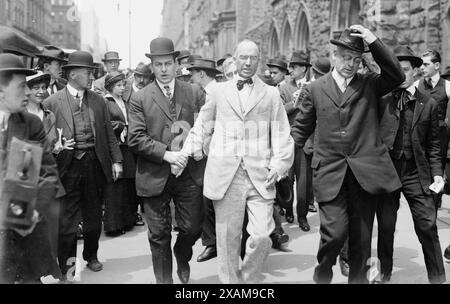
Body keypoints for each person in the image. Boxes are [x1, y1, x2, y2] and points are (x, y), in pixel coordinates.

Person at [291, 25, 405, 284]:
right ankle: (323, 272)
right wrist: (281, 164)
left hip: (365, 174)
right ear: (334, 56)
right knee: (334, 234)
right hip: (330, 174)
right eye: (345, 58)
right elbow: (300, 130)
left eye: (356, 60)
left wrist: (373, 41)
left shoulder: (369, 84)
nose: (351, 64)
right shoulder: (315, 89)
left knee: (362, 240)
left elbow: (396, 75)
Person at [181, 39, 294, 284]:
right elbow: (202, 124)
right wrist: (184, 153)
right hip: (226, 175)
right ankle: (232, 285)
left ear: (259, 59)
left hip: (260, 174)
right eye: (243, 57)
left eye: (253, 57)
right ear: (235, 58)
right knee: (227, 238)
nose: (248, 62)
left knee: (262, 236)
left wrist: (278, 165)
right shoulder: (218, 91)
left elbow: (282, 133)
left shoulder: (271, 93)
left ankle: (249, 279)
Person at [128, 37, 206, 284]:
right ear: (152, 66)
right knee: (159, 235)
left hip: (189, 173)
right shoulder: (140, 98)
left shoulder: (193, 92)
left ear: (176, 64)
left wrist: (192, 150)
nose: (163, 69)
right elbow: (136, 138)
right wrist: (168, 154)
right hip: (154, 174)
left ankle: (182, 254)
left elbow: (207, 126)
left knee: (192, 228)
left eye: (168, 64)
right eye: (158, 64)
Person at [44, 51, 123, 281]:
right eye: (88, 72)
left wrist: (117, 160)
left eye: (92, 72)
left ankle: (91, 256)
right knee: (67, 223)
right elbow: (46, 138)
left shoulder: (98, 101)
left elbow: (108, 133)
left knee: (92, 217)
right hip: (66, 167)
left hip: (94, 164)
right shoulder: (52, 102)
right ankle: (67, 268)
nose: (91, 77)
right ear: (72, 74)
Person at [377, 45, 446, 284]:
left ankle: (437, 278)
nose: (400, 74)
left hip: (416, 172)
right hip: (388, 171)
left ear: (416, 71)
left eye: (404, 70)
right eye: (395, 69)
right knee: (386, 226)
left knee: (427, 225)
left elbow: (434, 146)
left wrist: (437, 174)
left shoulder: (428, 103)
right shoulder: (382, 100)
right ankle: (384, 272)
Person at [0, 53, 61, 283]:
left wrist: (31, 212)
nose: (28, 92)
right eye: (20, 87)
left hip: (29, 228)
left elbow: (44, 174)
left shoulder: (30, 123)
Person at [186, 58, 221, 263]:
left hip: (218, 154)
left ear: (202, 74)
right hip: (210, 153)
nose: (191, 77)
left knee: (210, 198)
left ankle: (215, 243)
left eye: (193, 72)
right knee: (207, 198)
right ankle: (212, 242)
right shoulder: (208, 93)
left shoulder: (216, 93)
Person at [279, 50, 316, 229]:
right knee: (287, 178)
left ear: (303, 69)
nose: (291, 70)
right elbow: (278, 112)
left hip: (306, 140)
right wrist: (292, 103)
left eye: (294, 67)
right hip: (288, 139)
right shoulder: (284, 88)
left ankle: (302, 216)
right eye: (290, 67)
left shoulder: (313, 87)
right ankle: (287, 210)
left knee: (304, 181)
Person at [103, 72, 140, 236]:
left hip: (127, 146)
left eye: (124, 85)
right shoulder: (105, 102)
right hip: (116, 146)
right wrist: (120, 125)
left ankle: (128, 219)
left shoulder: (124, 101)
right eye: (119, 85)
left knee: (129, 184)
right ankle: (114, 224)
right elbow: (103, 123)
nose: (122, 88)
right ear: (111, 87)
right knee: (116, 186)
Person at [416, 50, 450, 209]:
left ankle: (435, 204)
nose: (422, 67)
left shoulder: (448, 86)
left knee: (438, 169)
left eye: (426, 64)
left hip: (441, 136)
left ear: (437, 65)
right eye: (421, 64)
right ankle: (425, 203)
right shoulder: (417, 85)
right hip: (421, 135)